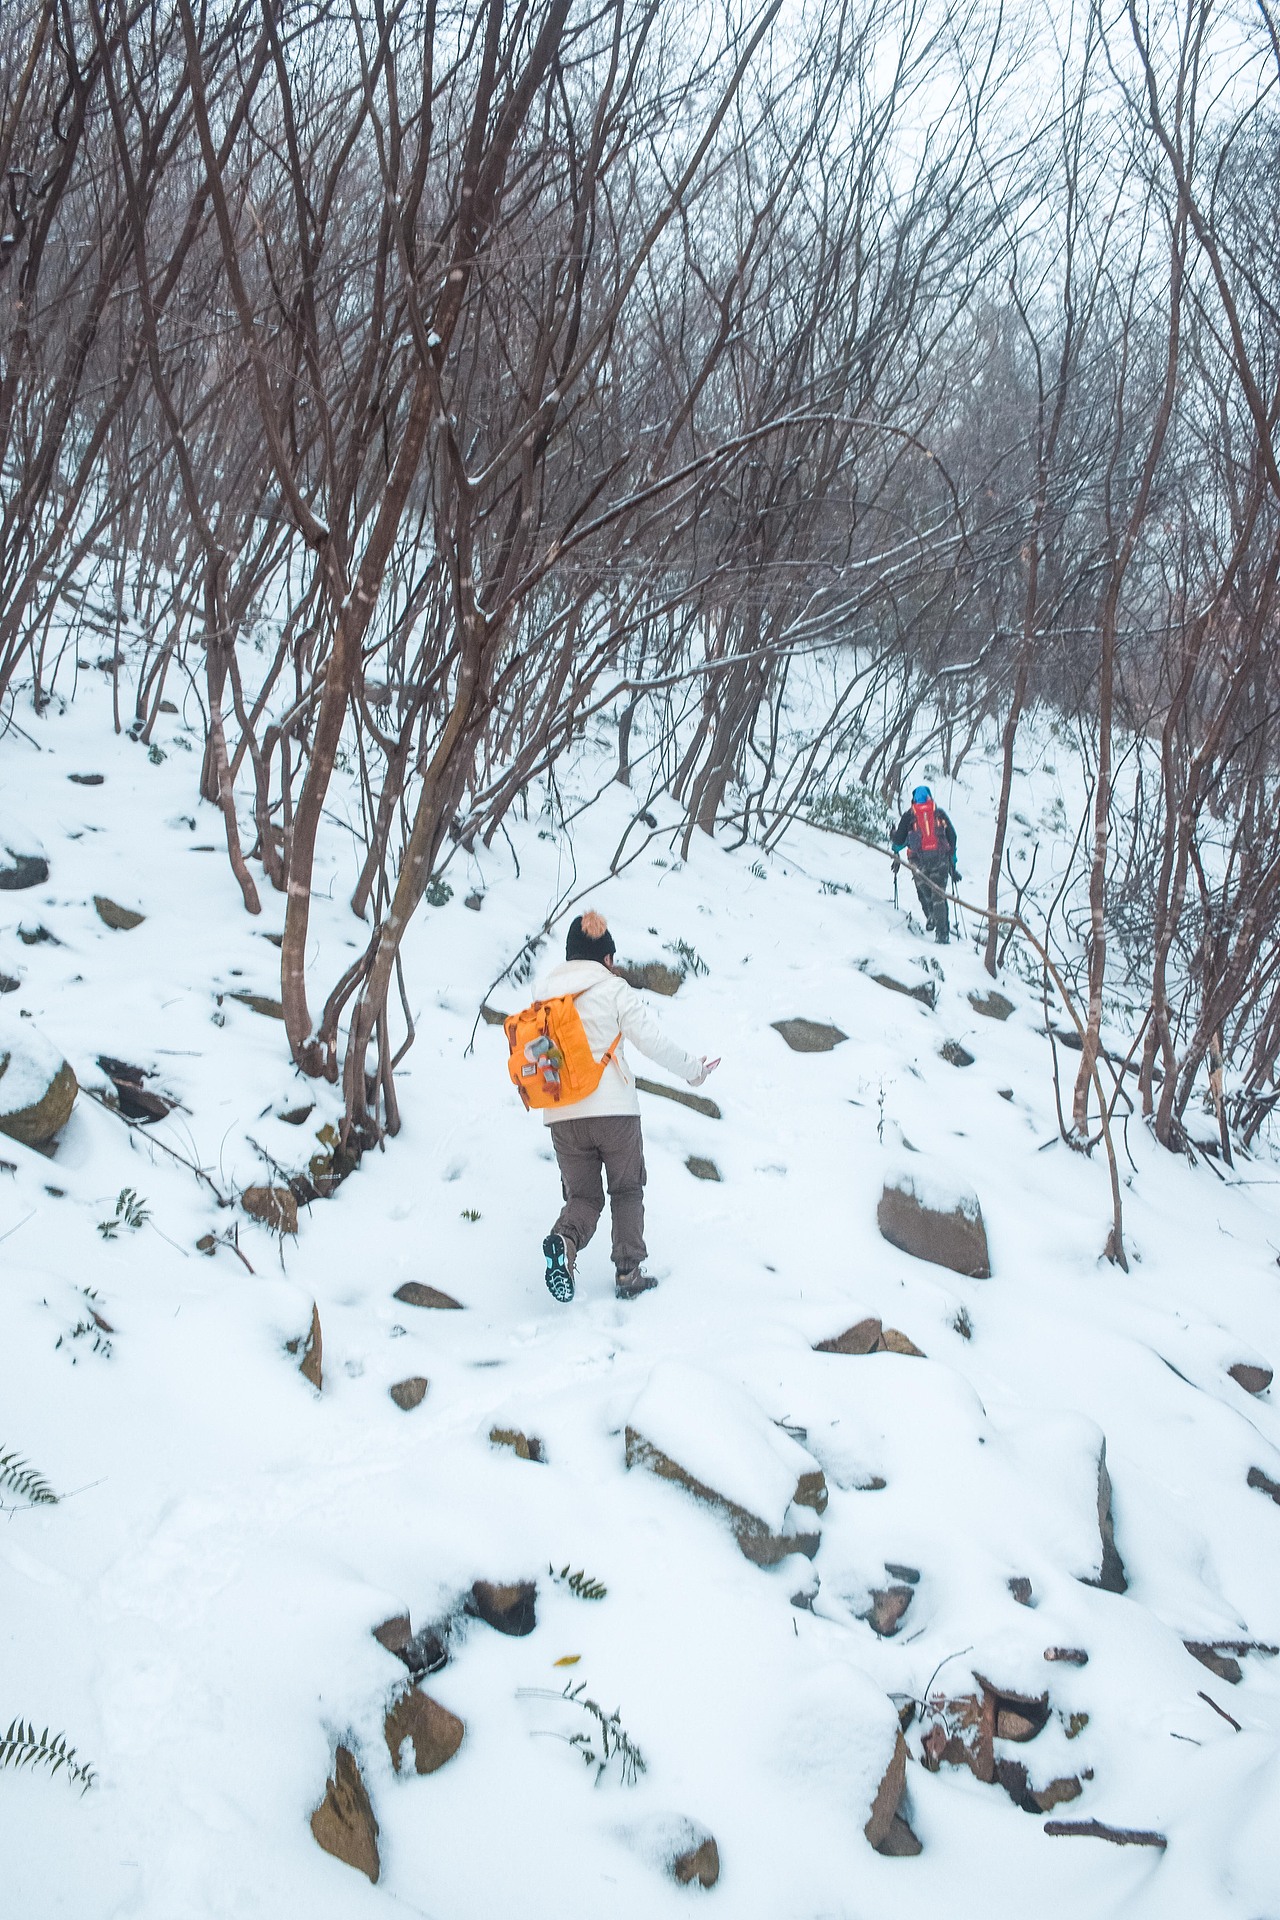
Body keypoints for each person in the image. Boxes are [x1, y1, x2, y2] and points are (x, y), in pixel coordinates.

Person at [537, 910, 718, 1304]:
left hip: (562, 1115)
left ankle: (564, 1243)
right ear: (605, 958)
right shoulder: (613, 989)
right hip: (614, 1112)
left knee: (583, 1198)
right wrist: (694, 1072)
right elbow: (652, 1042)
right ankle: (628, 1272)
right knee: (626, 1190)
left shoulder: (544, 994)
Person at [891, 785, 960, 943]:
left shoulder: (909, 816)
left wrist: (894, 840)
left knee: (924, 892)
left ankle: (930, 915)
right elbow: (952, 837)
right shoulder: (939, 813)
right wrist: (953, 863)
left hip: (918, 862)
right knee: (939, 896)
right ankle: (942, 934)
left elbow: (899, 841)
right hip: (940, 860)